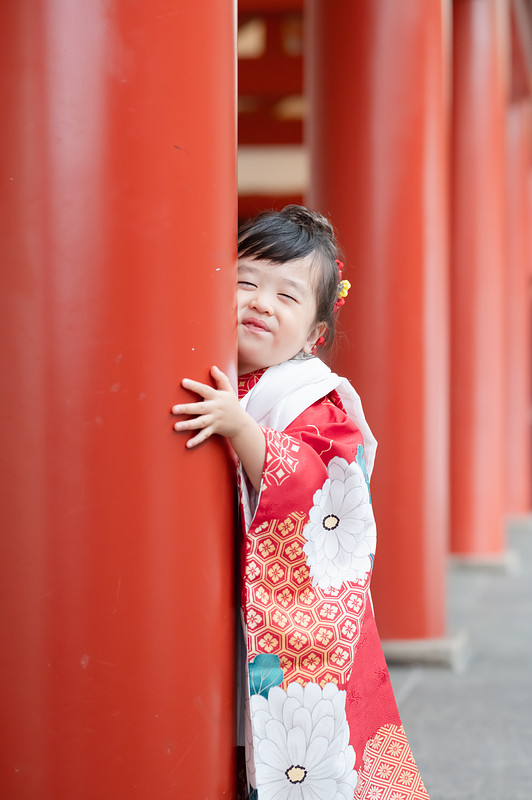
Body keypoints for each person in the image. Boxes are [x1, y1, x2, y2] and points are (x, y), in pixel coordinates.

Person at [171, 206, 429, 800]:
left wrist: (245, 431)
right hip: (209, 597)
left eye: (287, 296)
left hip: (279, 617)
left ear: (314, 335)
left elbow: (324, 487)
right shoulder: (201, 367)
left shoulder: (311, 398)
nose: (262, 303)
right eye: (246, 282)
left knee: (286, 743)